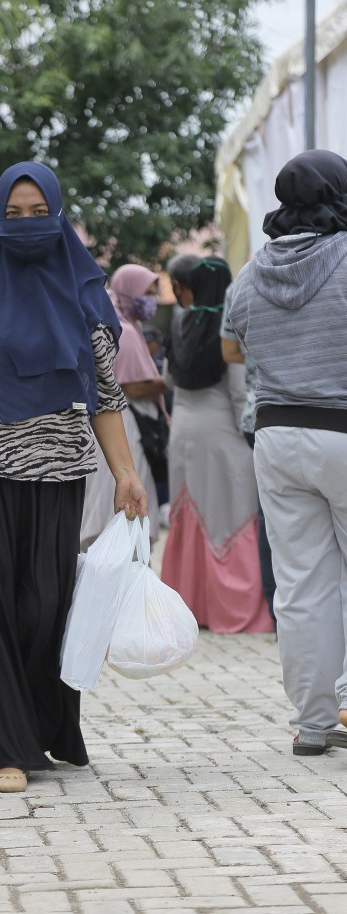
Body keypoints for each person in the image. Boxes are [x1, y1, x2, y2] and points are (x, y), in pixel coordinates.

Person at [0, 161, 147, 793]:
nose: (25, 225)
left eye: (37, 213)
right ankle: (7, 749)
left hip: (59, 475)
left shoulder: (83, 294)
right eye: (12, 216)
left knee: (44, 609)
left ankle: (45, 728)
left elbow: (106, 396)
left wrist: (125, 473)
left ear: (59, 213)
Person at [228, 148, 347, 756]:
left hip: (275, 437)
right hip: (344, 431)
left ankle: (313, 722)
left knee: (300, 585)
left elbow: (237, 345)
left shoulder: (250, 274)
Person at [161, 255, 273, 634]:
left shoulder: (179, 323)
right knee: (231, 515)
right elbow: (241, 392)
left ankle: (189, 607)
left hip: (183, 433)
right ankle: (234, 609)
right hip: (223, 432)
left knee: (187, 513)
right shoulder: (229, 328)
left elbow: (169, 381)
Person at [80, 264, 164, 549]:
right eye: (147, 292)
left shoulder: (122, 325)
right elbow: (131, 386)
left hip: (114, 422)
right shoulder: (123, 331)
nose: (152, 299)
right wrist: (169, 382)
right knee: (119, 501)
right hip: (122, 425)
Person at [220, 286, 276, 624]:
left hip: (260, 413)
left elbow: (229, 350)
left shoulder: (242, 281)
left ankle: (276, 610)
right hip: (327, 413)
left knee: (270, 516)